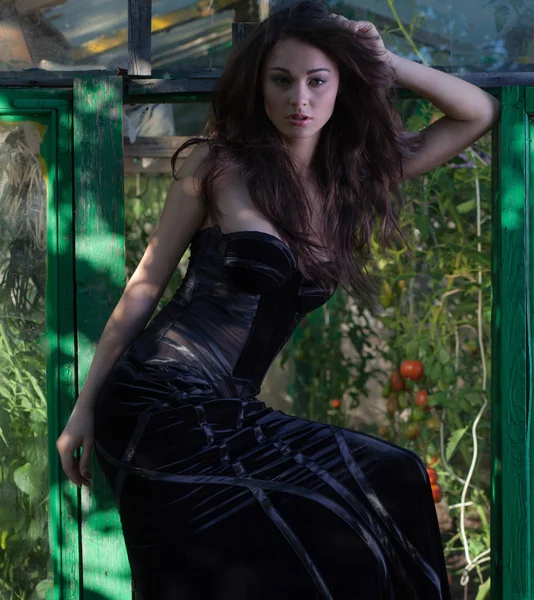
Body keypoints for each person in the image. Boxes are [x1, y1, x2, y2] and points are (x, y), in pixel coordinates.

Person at [56, 1, 500, 598]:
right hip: (155, 403)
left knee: (388, 481)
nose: (301, 99)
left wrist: (381, 57)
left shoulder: (355, 180)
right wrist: (83, 408)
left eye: (319, 81)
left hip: (231, 413)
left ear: (342, 85)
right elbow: (143, 289)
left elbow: (477, 112)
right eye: (282, 80)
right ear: (257, 84)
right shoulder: (218, 167)